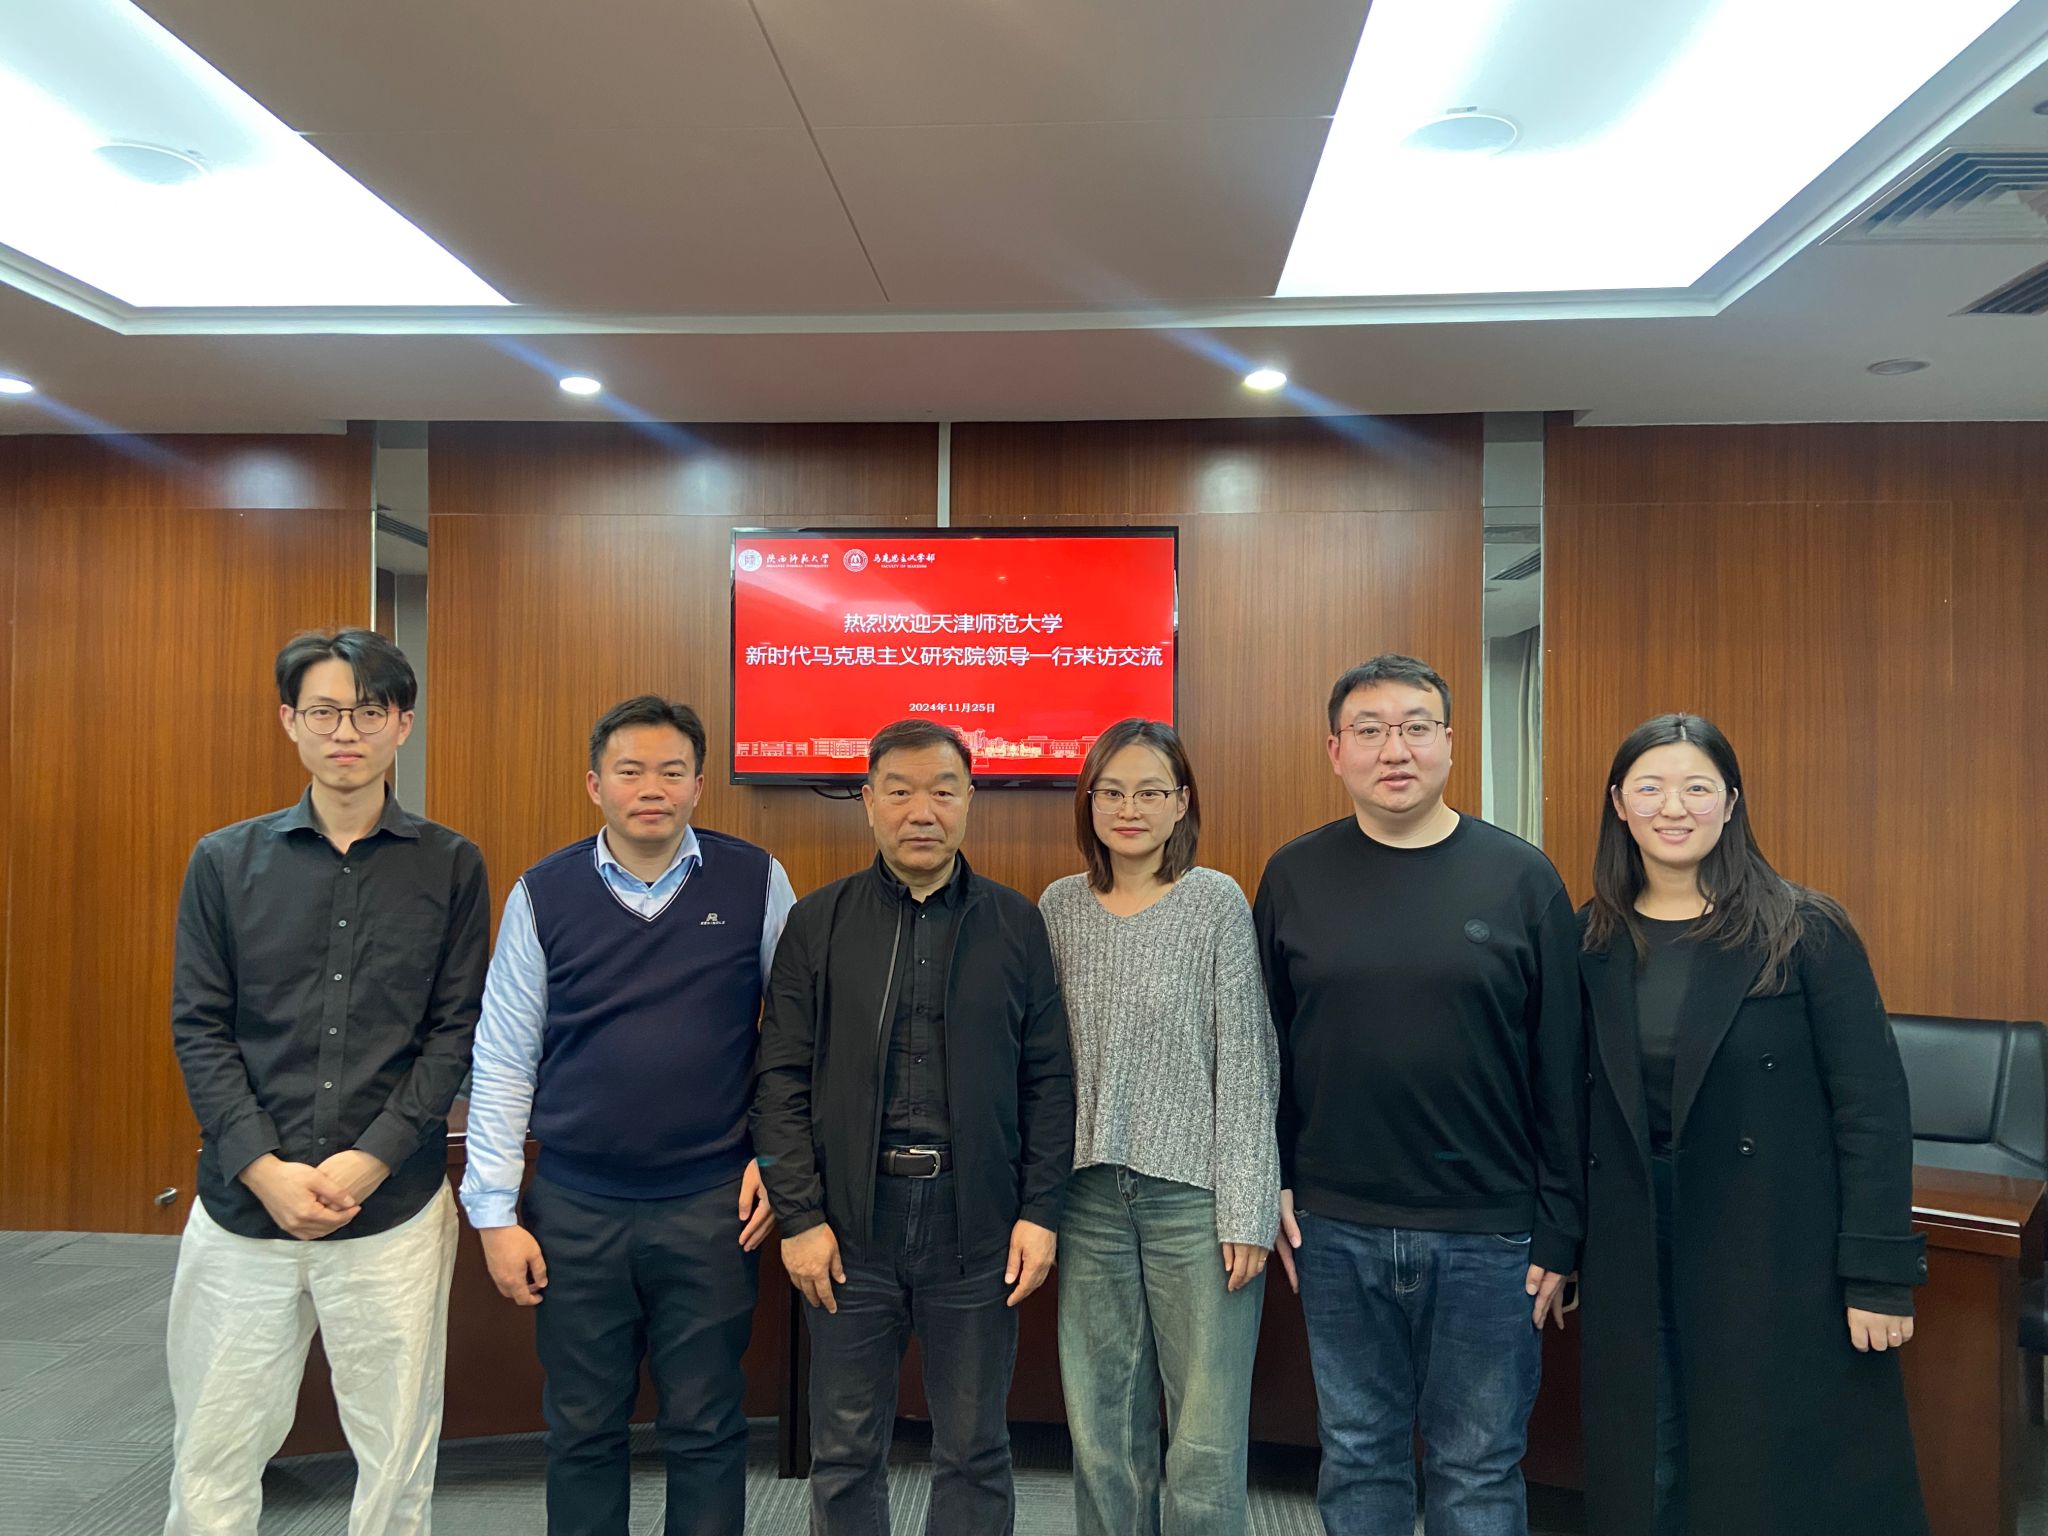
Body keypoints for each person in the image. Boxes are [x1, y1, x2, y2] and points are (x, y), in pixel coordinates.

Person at [166, 628, 489, 1535]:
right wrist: (262, 1167)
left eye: (369, 712)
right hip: (243, 1207)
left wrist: (372, 1158)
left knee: (395, 1458)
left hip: (391, 1210)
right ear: (289, 721)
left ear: (402, 725)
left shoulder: (452, 864)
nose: (346, 731)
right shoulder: (224, 861)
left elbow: (454, 1032)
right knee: (214, 1449)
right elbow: (199, 1026)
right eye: (324, 712)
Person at [1253, 653, 1582, 1536]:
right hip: (1334, 1225)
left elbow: (1563, 1069)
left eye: (1415, 727)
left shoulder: (1522, 878)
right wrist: (1272, 1177)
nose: (1393, 749)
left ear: (1449, 742)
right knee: (1358, 1454)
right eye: (1369, 730)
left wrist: (1562, 1227)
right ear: (1335, 751)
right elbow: (1267, 1048)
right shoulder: (1293, 876)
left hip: (1491, 1233)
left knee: (1477, 1467)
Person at [1577, 713, 1928, 1536]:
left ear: (1731, 804)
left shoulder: (1803, 930)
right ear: (1619, 804)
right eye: (1650, 787)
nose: (1673, 807)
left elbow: (1872, 1109)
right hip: (1632, 1239)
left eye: (1697, 788)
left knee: (1763, 1468)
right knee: (1648, 1457)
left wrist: (1878, 1277)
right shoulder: (1588, 937)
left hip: (1769, 1241)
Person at [460, 696, 794, 1536]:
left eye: (672, 772)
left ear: (699, 786)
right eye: (631, 771)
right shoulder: (543, 892)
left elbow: (797, 1040)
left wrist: (778, 1159)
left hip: (712, 1204)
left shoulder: (757, 880)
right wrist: (493, 1212)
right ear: (594, 785)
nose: (652, 789)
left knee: (708, 1425)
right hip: (576, 1206)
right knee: (582, 1429)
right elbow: (503, 1056)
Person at [752, 718, 1074, 1536]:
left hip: (977, 1224)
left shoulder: (1016, 924)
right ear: (868, 802)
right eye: (899, 791)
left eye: (942, 791)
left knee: (974, 1447)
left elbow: (1048, 1081)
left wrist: (1040, 1211)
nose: (920, 811)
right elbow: (779, 1080)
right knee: (844, 1449)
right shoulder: (818, 923)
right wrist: (800, 1217)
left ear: (970, 800)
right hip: (848, 1226)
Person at [1038, 718, 1279, 1536]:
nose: (1129, 809)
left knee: (1205, 1442)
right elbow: (1042, 1062)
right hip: (1088, 1199)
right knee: (1103, 1431)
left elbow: (1247, 1058)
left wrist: (1247, 1206)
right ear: (1089, 803)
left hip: (1197, 1203)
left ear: (1182, 804)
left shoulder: (1215, 901)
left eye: (1150, 792)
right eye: (1111, 792)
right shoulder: (1059, 907)